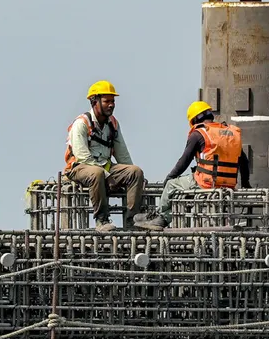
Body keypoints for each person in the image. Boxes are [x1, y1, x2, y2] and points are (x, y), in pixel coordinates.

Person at [134, 101, 250, 231]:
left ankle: (158, 217)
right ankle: (162, 218)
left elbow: (185, 160)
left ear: (194, 120)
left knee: (172, 185)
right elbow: (244, 161)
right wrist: (245, 183)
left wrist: (170, 177)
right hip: (228, 185)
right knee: (186, 194)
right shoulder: (229, 134)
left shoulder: (199, 133)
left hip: (205, 183)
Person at [63, 80, 144, 232]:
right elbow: (82, 157)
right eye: (107, 101)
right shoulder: (81, 123)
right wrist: (107, 174)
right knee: (96, 172)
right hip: (79, 168)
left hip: (104, 167)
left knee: (135, 171)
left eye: (113, 101)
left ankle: (132, 221)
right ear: (95, 101)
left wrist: (131, 175)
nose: (111, 105)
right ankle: (102, 220)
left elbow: (122, 155)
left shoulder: (113, 123)